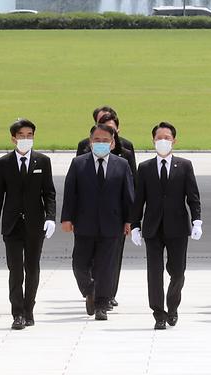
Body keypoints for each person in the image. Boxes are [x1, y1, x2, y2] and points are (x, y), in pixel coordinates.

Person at [129, 122, 201, 329]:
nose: (163, 141)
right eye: (159, 138)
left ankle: (173, 306)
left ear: (174, 141)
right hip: (153, 227)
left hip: (178, 226)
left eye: (167, 138)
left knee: (177, 271)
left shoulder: (185, 165)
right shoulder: (144, 168)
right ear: (153, 140)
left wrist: (197, 220)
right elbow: (138, 199)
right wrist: (135, 225)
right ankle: (158, 314)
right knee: (154, 272)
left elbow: (193, 196)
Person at [0, 118, 56, 330]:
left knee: (32, 269)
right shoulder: (4, 163)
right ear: (13, 139)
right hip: (12, 225)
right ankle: (17, 313)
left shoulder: (42, 161)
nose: (26, 139)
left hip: (35, 225)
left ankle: (29, 309)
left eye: (29, 136)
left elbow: (49, 193)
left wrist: (50, 217)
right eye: (21, 136)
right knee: (15, 270)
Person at [61, 123, 134, 320]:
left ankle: (101, 304)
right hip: (84, 223)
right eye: (97, 140)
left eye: (105, 141)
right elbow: (70, 193)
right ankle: (89, 289)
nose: (101, 144)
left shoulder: (122, 164)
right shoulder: (79, 163)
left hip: (112, 224)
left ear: (112, 143)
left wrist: (129, 221)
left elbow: (128, 196)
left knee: (106, 267)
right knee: (79, 264)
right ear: (90, 141)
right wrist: (66, 218)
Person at [76, 108, 136, 307]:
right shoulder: (84, 151)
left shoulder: (125, 152)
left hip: (113, 217)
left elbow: (131, 185)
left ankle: (106, 297)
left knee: (110, 261)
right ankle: (92, 290)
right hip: (87, 218)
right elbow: (73, 187)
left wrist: (130, 219)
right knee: (83, 261)